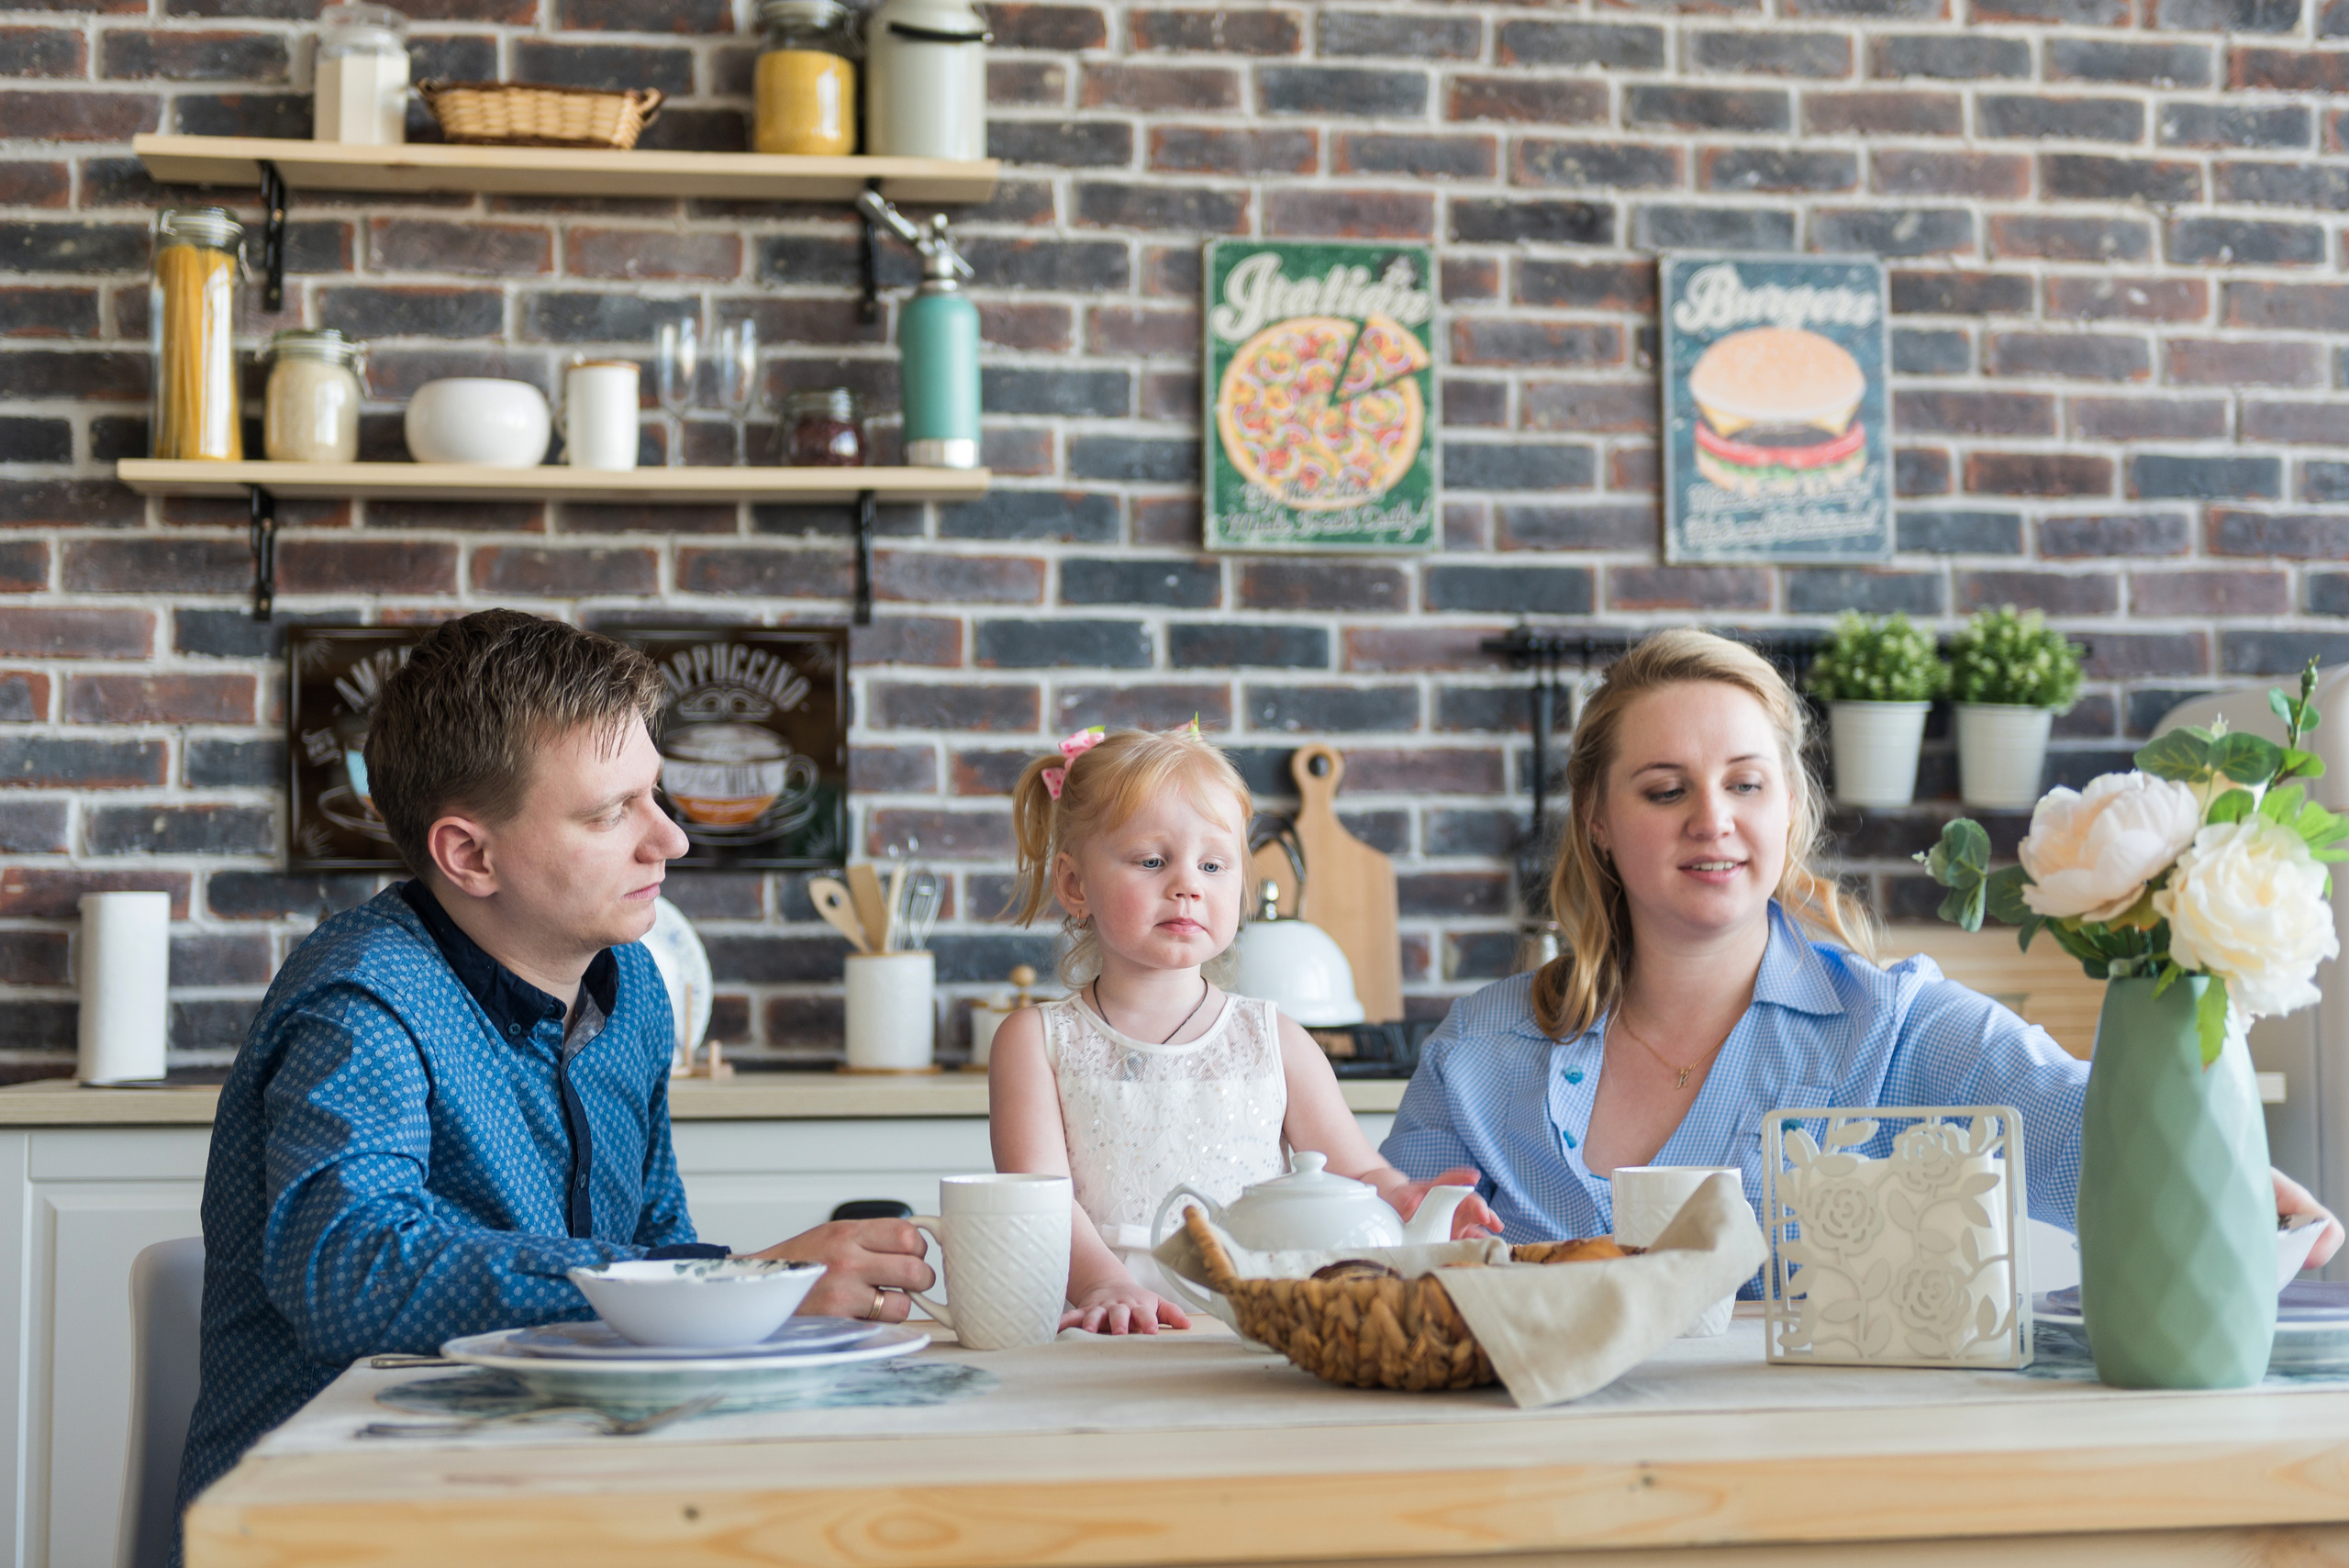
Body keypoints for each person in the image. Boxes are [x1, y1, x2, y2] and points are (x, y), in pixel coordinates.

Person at [176, 611, 933, 1515]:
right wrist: (738, 1285)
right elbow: (350, 1267)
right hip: (337, 1512)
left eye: (653, 793)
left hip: (553, 1483)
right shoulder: (363, 1001)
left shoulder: (634, 989)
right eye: (611, 811)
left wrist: (744, 1312)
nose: (670, 840)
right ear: (470, 853)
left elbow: (654, 1241)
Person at [1381, 628, 2343, 1275]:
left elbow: (2081, 1122)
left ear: (1789, 807)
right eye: (1664, 789)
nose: (1711, 820)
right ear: (1597, 818)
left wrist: (2217, 1173)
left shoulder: (1893, 1029)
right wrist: (1416, 1237)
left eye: (1746, 784)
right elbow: (1376, 1247)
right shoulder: (1480, 1049)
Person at [988, 724, 1499, 1335]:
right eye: (1152, 860)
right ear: (1075, 885)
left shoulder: (1274, 1039)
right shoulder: (1034, 1042)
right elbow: (1042, 1202)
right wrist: (1108, 1284)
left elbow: (1358, 1171)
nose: (1187, 884)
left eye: (1212, 863)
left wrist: (1407, 1197)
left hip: (1252, 1332)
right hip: (1109, 1329)